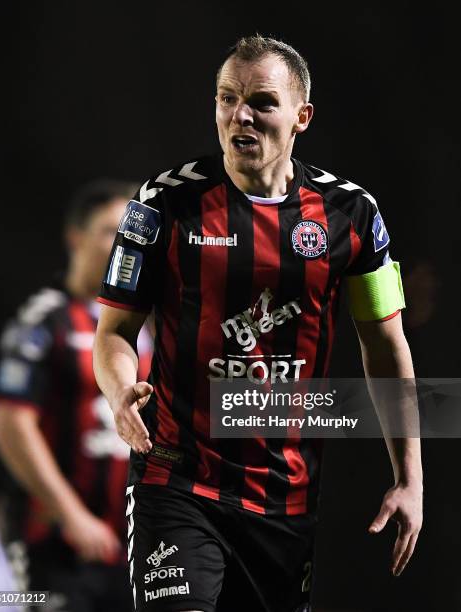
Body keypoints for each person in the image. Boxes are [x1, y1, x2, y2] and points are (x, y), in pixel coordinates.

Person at [93, 35, 423, 612]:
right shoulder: (165, 203)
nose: (240, 115)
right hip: (177, 482)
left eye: (262, 102)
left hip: (285, 500)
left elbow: (386, 344)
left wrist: (409, 478)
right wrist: (120, 392)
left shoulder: (352, 214)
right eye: (227, 98)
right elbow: (116, 331)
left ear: (302, 117)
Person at [0, 180, 153, 612]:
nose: (122, 244)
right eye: (108, 231)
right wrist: (70, 514)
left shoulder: (145, 328)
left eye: (129, 234)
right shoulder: (44, 321)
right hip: (56, 543)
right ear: (75, 238)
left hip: (130, 542)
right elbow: (10, 423)